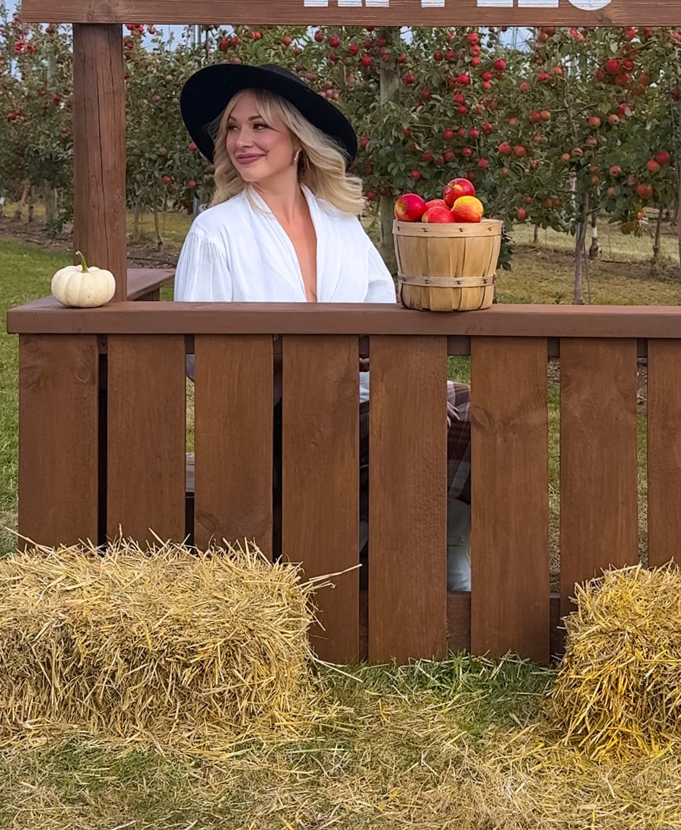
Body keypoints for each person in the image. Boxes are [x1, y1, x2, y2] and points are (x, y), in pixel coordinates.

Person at [174, 61, 471, 590]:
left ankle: (442, 551)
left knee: (472, 409)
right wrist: (307, 361)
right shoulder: (215, 233)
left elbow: (385, 317)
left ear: (299, 140)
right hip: (268, 422)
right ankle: (374, 554)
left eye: (260, 125)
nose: (243, 140)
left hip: (355, 398)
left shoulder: (340, 223)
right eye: (233, 127)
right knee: (413, 418)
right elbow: (198, 358)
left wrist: (419, 381)